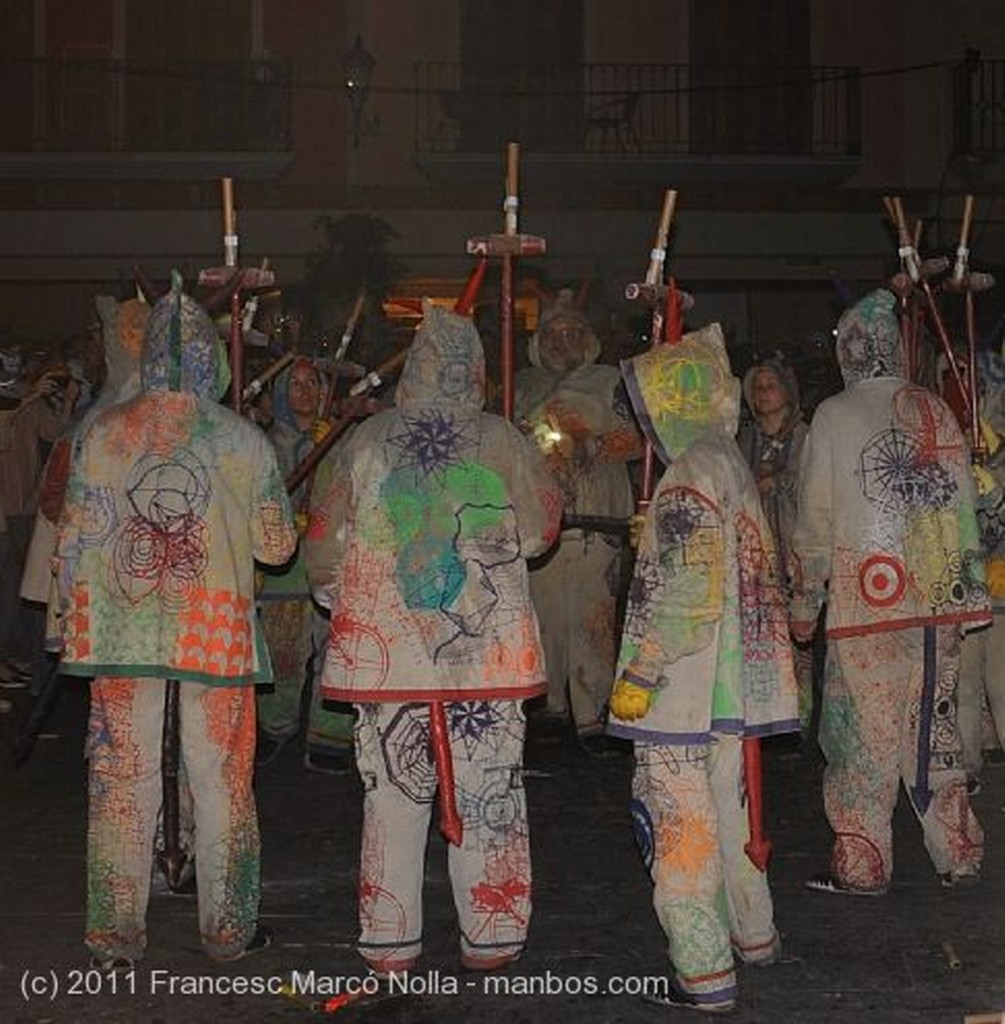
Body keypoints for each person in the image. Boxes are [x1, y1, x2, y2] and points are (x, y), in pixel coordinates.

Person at [305, 301, 561, 975]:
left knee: (392, 790)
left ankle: (389, 937)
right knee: (488, 792)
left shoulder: (368, 438)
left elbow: (324, 539)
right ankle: (492, 932)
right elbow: (539, 533)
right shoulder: (502, 438)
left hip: (388, 652)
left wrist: (337, 589)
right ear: (474, 370)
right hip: (483, 653)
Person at [54, 272, 298, 970]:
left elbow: (73, 540)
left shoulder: (101, 432)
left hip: (119, 632)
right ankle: (228, 929)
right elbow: (274, 548)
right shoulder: (242, 439)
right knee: (222, 782)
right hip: (213, 633)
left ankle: (114, 936)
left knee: (121, 781)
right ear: (210, 358)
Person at [606, 322, 799, 1014]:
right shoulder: (729, 461)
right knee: (731, 813)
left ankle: (702, 971)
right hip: (735, 688)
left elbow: (684, 591)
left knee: (679, 828)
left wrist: (640, 672)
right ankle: (754, 935)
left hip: (685, 693)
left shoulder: (688, 474)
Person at [789, 287, 989, 896]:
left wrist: (805, 602)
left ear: (850, 351)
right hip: (939, 600)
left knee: (862, 732)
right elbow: (961, 509)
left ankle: (863, 861)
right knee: (930, 728)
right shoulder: (936, 408)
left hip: (868, 602)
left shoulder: (834, 414)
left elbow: (816, 519)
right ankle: (959, 849)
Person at [514, 288, 643, 755]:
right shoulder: (523, 384)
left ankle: (596, 713)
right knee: (543, 620)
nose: (562, 341)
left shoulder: (612, 381)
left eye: (572, 332)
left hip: (596, 520)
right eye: (553, 333)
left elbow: (639, 439)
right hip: (542, 524)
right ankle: (550, 709)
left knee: (592, 621)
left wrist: (588, 446)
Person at [256, 355, 355, 773]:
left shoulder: (339, 438)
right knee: (284, 649)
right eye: (295, 385)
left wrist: (329, 450)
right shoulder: (262, 442)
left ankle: (330, 736)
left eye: (313, 383)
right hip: (285, 564)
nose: (306, 392)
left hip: (330, 557)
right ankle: (274, 725)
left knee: (336, 646)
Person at [737, 355, 815, 732]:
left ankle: (798, 714)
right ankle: (766, 709)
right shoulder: (745, 439)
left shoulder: (804, 436)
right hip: (756, 550)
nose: (763, 393)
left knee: (798, 633)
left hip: (793, 545)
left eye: (771, 386)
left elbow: (813, 485)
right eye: (757, 387)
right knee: (760, 631)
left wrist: (777, 482)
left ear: (787, 391)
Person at [0, 355, 78, 689]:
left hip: (24, 506)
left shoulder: (25, 402)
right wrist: (28, 397)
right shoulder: (15, 402)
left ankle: (6, 657)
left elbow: (57, 432)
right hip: (7, 508)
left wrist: (67, 401)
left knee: (13, 591)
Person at [957, 347, 1005, 793]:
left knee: (1002, 683)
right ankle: (967, 766)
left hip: (1003, 586)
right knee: (965, 684)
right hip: (967, 584)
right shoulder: (955, 443)